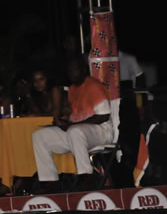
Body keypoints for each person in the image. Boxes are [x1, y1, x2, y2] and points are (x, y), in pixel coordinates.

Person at [32, 57, 113, 193]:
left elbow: (104, 115)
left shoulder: (93, 86)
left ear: (83, 70)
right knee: (40, 135)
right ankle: (50, 182)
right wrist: (63, 122)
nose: (71, 73)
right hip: (78, 133)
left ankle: (86, 177)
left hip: (102, 131)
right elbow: (76, 116)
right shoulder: (73, 89)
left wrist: (72, 126)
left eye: (74, 69)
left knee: (75, 131)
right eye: (69, 70)